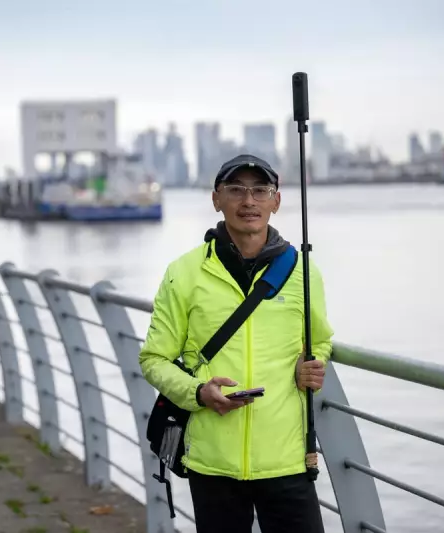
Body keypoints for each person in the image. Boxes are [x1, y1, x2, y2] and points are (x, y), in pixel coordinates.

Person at [139, 154, 333, 533]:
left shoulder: (303, 271)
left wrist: (310, 364)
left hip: (287, 458)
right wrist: (198, 393)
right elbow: (154, 359)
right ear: (216, 199)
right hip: (213, 462)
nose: (249, 201)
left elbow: (321, 340)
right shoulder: (184, 272)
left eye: (261, 191)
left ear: (276, 201)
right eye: (236, 190)